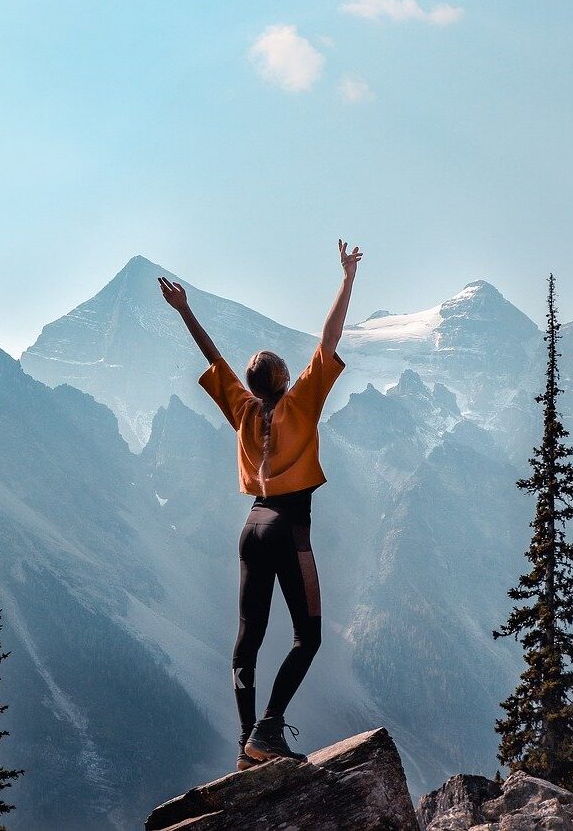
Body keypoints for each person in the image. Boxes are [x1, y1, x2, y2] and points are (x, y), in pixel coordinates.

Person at [158, 239, 361, 771]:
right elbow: (331, 336)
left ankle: (246, 746)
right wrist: (346, 279)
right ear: (285, 379)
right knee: (308, 635)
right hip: (289, 526)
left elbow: (213, 357)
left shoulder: (243, 412)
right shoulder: (301, 403)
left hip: (251, 527)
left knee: (248, 636)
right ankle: (269, 730)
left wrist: (186, 311)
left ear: (252, 386)